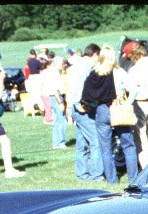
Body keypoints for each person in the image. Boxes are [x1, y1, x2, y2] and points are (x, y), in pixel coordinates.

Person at [80, 44, 137, 184]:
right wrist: (127, 103)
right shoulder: (119, 71)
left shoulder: (94, 74)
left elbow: (87, 96)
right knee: (128, 146)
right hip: (118, 108)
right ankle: (134, 179)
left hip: (101, 111)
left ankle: (112, 180)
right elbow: (134, 90)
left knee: (105, 148)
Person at [68, 44, 103, 181]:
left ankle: (82, 174)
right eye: (98, 56)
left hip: (78, 108)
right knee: (96, 141)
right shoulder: (83, 68)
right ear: (94, 54)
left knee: (81, 144)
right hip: (82, 109)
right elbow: (78, 88)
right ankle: (96, 175)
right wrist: (78, 105)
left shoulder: (79, 66)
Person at [43, 56, 67, 149]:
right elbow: (55, 90)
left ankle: (56, 143)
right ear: (56, 63)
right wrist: (61, 103)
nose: (63, 65)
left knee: (57, 120)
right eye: (62, 64)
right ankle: (61, 142)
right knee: (61, 120)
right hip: (57, 97)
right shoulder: (54, 73)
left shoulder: (53, 72)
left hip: (53, 97)